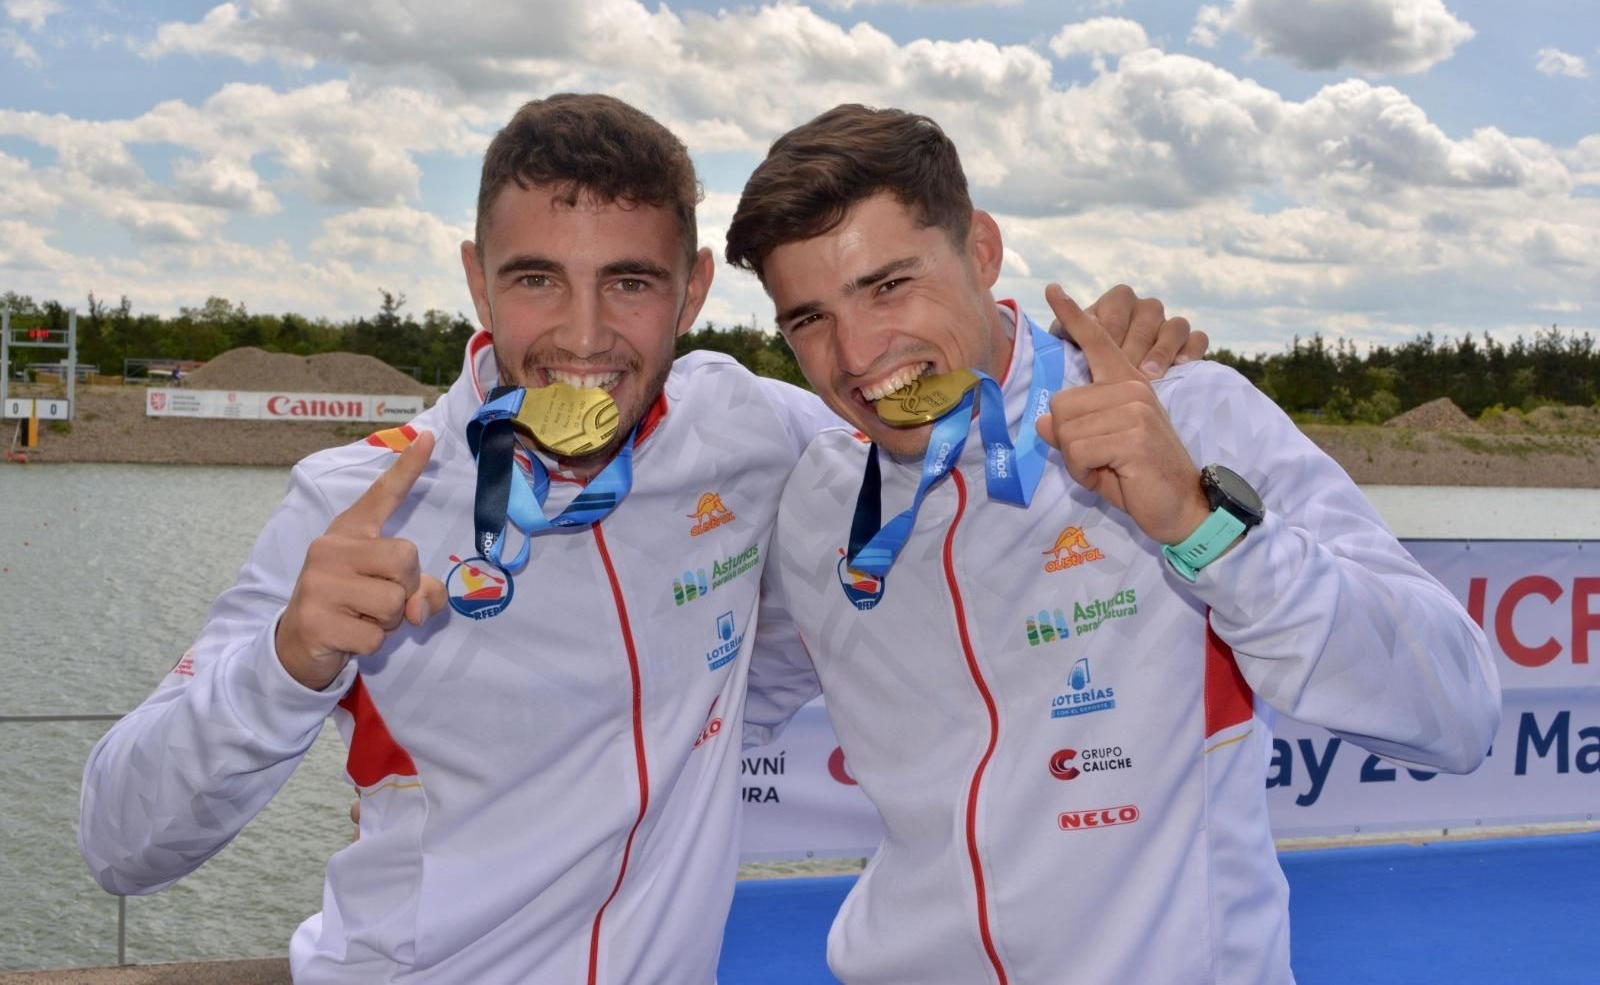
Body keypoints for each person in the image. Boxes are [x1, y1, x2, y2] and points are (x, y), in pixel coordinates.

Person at [77, 93, 1203, 984]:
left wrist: (1117, 365)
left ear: (693, 292)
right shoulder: (362, 498)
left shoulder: (750, 429)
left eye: (627, 283)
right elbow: (122, 843)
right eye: (534, 280)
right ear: (475, 279)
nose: (579, 334)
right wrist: (284, 664)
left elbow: (918, 404)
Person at [727, 104, 1501, 985]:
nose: (858, 352)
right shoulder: (821, 500)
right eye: (809, 320)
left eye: (888, 284)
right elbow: (706, 714)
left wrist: (1210, 529)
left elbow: (1460, 709)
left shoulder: (1188, 413)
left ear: (981, 249)